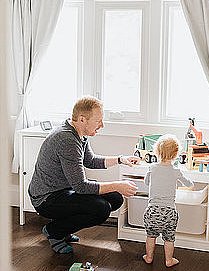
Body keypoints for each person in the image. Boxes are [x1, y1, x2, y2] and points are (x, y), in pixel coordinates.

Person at [28, 96, 140, 253]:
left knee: (115, 198)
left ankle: (62, 228)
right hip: (46, 198)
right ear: (82, 119)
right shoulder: (66, 140)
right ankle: (55, 231)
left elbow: (91, 161)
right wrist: (118, 185)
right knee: (100, 209)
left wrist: (121, 159)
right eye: (98, 121)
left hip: (64, 190)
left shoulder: (79, 133)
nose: (102, 125)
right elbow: (81, 186)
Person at [142, 134, 194, 267]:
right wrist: (188, 184)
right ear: (176, 154)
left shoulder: (152, 168)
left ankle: (149, 257)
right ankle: (169, 260)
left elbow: (147, 182)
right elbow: (189, 184)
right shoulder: (176, 171)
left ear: (157, 151)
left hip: (152, 211)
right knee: (169, 239)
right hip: (169, 213)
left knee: (151, 236)